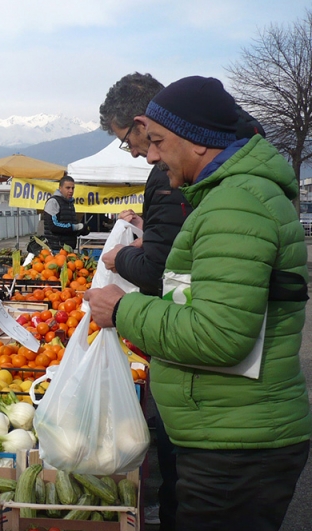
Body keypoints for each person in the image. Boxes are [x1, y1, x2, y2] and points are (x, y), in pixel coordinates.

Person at [85, 76, 311, 531]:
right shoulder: (231, 197)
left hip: (236, 446)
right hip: (228, 434)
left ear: (200, 144)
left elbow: (219, 334)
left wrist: (123, 310)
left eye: (158, 141)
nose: (150, 155)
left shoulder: (235, 204)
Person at [98, 72, 192, 530]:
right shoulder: (177, 178)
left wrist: (119, 259)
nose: (138, 151)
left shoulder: (168, 175)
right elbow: (172, 245)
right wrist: (146, 229)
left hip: (186, 358)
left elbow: (161, 268)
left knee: (182, 474)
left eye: (128, 140)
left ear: (141, 123)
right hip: (184, 356)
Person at [41, 175, 89, 251]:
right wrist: (76, 227)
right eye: (68, 188)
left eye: (73, 188)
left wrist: (80, 231)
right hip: (56, 248)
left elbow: (67, 226)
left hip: (68, 248)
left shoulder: (70, 203)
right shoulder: (53, 202)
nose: (71, 191)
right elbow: (53, 226)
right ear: (60, 188)